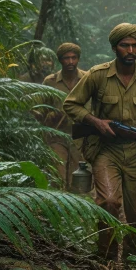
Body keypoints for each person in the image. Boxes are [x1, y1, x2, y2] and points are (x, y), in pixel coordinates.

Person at [63, 23, 136, 261]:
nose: (131, 50)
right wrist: (95, 122)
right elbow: (71, 104)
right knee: (109, 202)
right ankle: (107, 260)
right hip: (106, 150)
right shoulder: (98, 75)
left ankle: (131, 264)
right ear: (114, 48)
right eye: (125, 45)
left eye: (135, 45)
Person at [42, 42, 87, 191]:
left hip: (80, 137)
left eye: (74, 58)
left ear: (78, 59)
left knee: (78, 178)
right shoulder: (50, 81)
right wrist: (49, 116)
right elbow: (41, 109)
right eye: (66, 58)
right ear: (60, 60)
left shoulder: (87, 78)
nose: (70, 62)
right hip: (57, 136)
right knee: (58, 176)